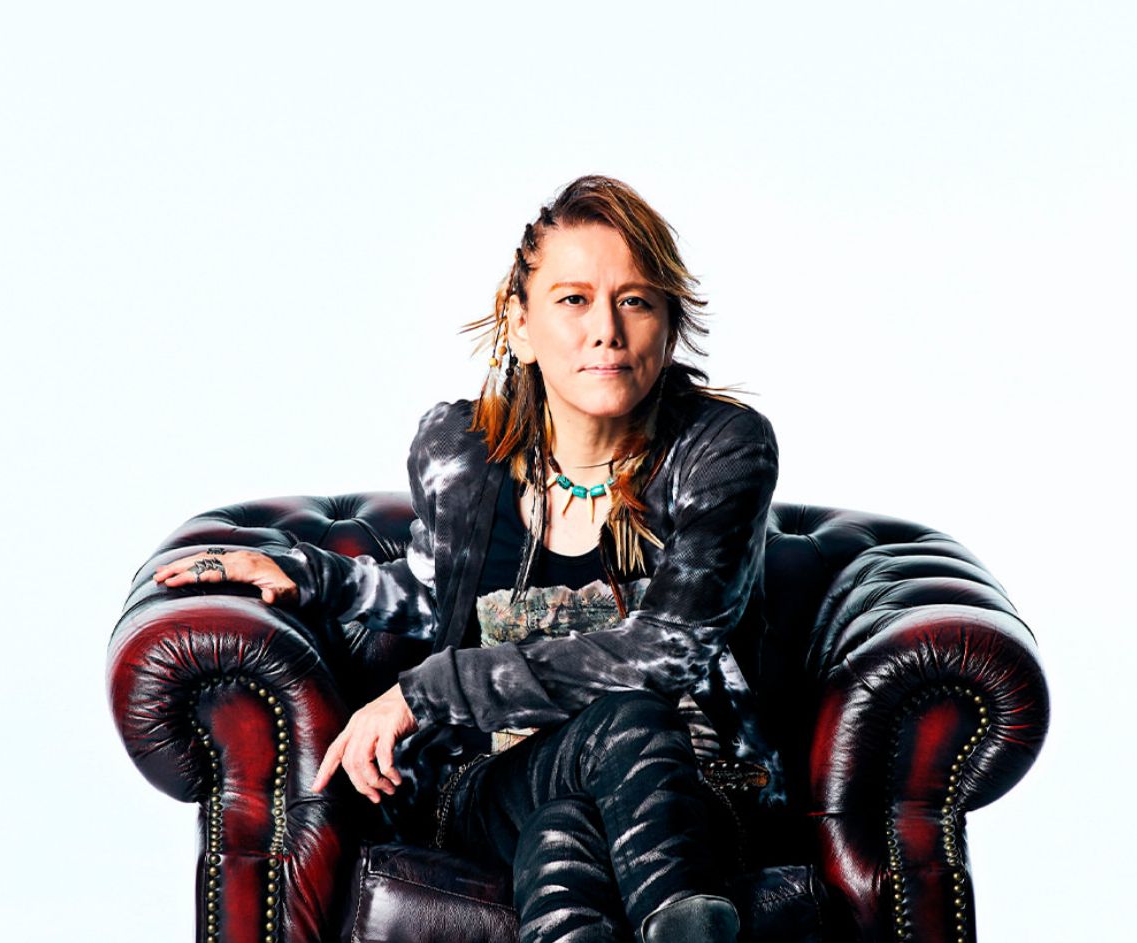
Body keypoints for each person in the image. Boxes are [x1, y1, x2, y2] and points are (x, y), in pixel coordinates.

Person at [153, 174, 786, 943]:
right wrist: (310, 577)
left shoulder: (720, 451)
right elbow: (433, 591)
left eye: (635, 301)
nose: (606, 330)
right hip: (490, 781)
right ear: (521, 323)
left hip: (684, 785)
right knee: (609, 736)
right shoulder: (465, 453)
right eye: (574, 299)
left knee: (566, 830)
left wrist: (424, 692)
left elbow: (666, 650)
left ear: (669, 323)